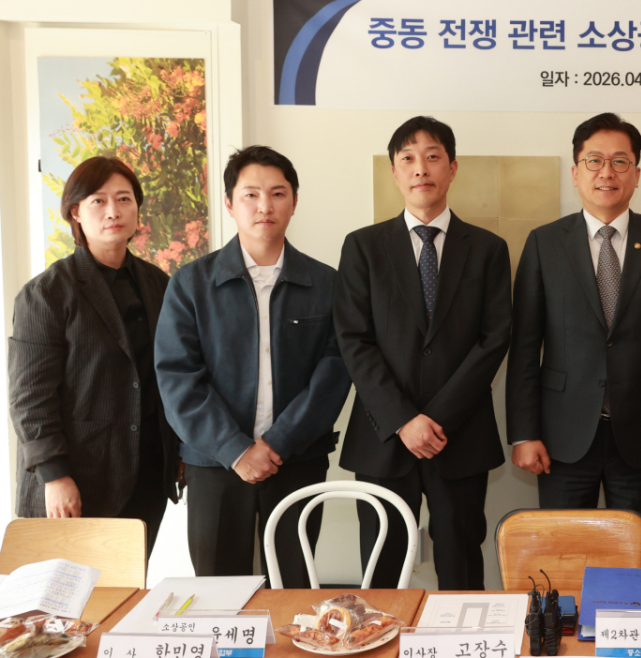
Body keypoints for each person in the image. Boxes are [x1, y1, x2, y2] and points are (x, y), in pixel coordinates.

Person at [507, 112, 641, 570]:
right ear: (576, 173)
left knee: (637, 559)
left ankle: (635, 623)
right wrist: (524, 432)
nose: (606, 173)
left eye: (619, 161)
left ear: (636, 173)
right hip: (561, 435)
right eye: (594, 161)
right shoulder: (544, 243)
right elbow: (525, 346)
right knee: (561, 560)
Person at [156, 146, 351, 586]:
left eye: (278, 193)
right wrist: (236, 450)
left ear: (294, 202)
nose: (265, 206)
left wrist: (279, 441)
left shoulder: (326, 283)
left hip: (297, 460)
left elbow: (335, 371)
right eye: (251, 195)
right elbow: (178, 378)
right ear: (229, 203)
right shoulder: (191, 284)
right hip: (215, 464)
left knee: (294, 587)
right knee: (217, 590)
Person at [335, 117, 511, 590]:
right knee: (383, 571)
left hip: (460, 435)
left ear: (452, 168)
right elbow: (354, 339)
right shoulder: (363, 247)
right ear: (394, 172)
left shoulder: (488, 249)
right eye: (408, 159)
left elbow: (494, 339)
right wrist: (404, 420)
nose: (421, 168)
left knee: (461, 567)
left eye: (433, 157)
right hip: (384, 437)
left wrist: (436, 419)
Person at [9, 157, 180, 550]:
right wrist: (54, 475)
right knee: (68, 588)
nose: (113, 212)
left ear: (137, 208)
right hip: (75, 477)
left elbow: (169, 376)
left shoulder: (159, 284)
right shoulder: (47, 293)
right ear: (76, 212)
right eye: (98, 201)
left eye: (124, 199)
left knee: (128, 582)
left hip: (146, 472)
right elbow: (29, 397)